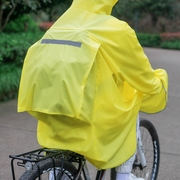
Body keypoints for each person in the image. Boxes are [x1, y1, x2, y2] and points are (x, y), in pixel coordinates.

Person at [18, 0, 168, 180]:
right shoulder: (117, 30)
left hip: (53, 115)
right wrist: (160, 84)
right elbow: (143, 77)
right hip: (94, 123)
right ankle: (123, 176)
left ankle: (57, 173)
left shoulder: (61, 22)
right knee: (131, 102)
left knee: (59, 154)